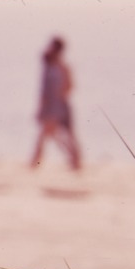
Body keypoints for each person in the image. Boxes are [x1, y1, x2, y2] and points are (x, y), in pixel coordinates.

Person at [30, 37, 81, 171]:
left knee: (52, 136)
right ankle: (73, 161)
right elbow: (45, 90)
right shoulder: (50, 64)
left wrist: (53, 100)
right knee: (51, 136)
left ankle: (35, 163)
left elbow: (68, 86)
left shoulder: (61, 67)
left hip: (57, 106)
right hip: (55, 106)